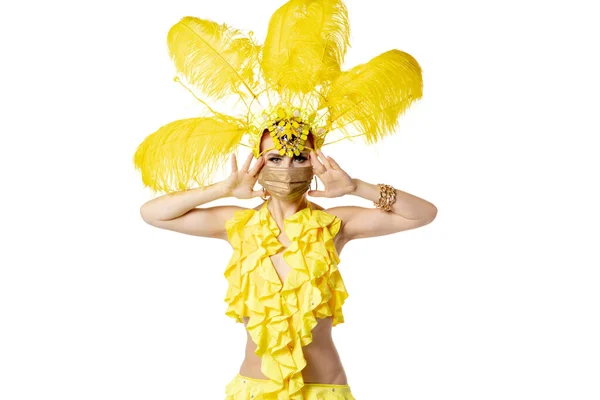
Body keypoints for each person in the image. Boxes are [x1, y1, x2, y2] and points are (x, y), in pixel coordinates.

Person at [134, 1, 436, 398]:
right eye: (275, 157)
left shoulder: (335, 224)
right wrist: (223, 189)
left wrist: (356, 187)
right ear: (259, 163)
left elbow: (423, 214)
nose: (287, 166)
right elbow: (152, 213)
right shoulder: (236, 225)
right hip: (254, 389)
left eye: (299, 157)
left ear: (315, 162)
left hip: (323, 389)